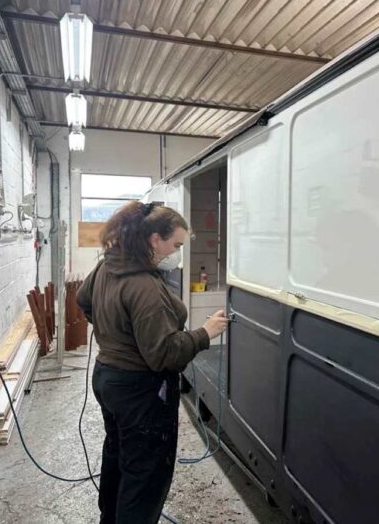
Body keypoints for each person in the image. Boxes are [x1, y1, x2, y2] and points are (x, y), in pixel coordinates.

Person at [77, 201, 228, 524]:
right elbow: (164, 354)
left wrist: (114, 333)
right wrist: (205, 333)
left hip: (108, 378)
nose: (179, 253)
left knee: (118, 458)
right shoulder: (143, 285)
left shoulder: (110, 265)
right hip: (140, 391)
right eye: (177, 244)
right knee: (145, 477)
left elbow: (84, 300)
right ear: (154, 239)